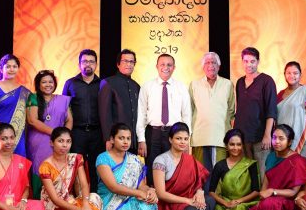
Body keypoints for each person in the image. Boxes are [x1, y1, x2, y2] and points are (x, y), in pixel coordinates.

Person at [96, 123, 163, 210]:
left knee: (147, 205)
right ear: (112, 139)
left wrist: (149, 191)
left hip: (132, 196)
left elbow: (141, 185)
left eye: (128, 138)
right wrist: (138, 193)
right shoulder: (103, 158)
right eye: (121, 138)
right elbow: (113, 187)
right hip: (111, 200)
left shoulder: (134, 160)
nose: (125, 142)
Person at [38, 127, 105, 210]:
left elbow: (84, 184)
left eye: (68, 141)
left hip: (69, 199)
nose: (65, 145)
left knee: (94, 199)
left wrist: (85, 204)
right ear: (51, 143)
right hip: (53, 206)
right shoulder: (45, 166)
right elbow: (55, 199)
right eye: (60, 141)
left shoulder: (75, 159)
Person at [153, 122, 214, 210]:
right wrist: (187, 201)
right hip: (170, 203)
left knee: (210, 201)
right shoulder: (161, 160)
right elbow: (161, 194)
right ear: (170, 139)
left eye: (186, 139)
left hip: (189, 196)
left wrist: (199, 192)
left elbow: (198, 180)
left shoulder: (189, 159)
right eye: (178, 138)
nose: (183, 142)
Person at [248, 124, 306, 210]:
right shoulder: (271, 157)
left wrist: (272, 191)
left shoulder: (298, 161)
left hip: (289, 201)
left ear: (289, 142)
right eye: (274, 138)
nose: (276, 142)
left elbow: (293, 192)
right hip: (270, 197)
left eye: (281, 138)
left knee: (270, 204)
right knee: (253, 208)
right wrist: (261, 197)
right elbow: (266, 181)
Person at [137, 54, 192, 186]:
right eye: (162, 64)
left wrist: (186, 140)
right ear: (157, 66)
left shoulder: (181, 87)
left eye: (169, 65)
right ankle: (152, 196)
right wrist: (141, 139)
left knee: (173, 168)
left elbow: (187, 115)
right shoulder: (147, 86)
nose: (166, 67)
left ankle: (169, 196)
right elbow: (141, 114)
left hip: (174, 133)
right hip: (153, 133)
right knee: (152, 167)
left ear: (174, 67)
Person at [209, 129, 262, 210]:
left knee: (239, 208)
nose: (235, 148)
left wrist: (239, 201)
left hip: (246, 202)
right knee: (222, 208)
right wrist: (226, 203)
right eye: (232, 144)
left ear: (243, 146)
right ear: (226, 146)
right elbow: (211, 191)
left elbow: (256, 191)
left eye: (239, 144)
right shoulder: (220, 165)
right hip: (225, 202)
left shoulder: (250, 164)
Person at [27, 70, 72, 199]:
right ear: (38, 84)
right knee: (40, 169)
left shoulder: (63, 100)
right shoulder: (33, 97)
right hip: (39, 142)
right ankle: (39, 203)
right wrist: (56, 134)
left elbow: (69, 120)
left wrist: (64, 137)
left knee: (60, 170)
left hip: (60, 142)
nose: (48, 85)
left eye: (50, 82)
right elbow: (32, 120)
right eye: (44, 82)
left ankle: (59, 202)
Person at [234, 47, 278, 179]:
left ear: (258, 62)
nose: (249, 64)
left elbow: (271, 110)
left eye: (252, 61)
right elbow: (240, 109)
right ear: (242, 62)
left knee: (263, 172)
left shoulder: (267, 81)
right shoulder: (239, 82)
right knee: (248, 173)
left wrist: (267, 135)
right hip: (243, 136)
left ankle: (263, 193)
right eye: (246, 61)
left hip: (260, 136)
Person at [62, 49, 104, 189]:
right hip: (77, 132)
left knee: (96, 167)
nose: (88, 64)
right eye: (85, 61)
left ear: (96, 64)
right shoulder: (70, 83)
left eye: (91, 62)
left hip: (97, 133)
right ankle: (76, 197)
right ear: (79, 64)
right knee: (75, 165)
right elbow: (63, 109)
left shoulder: (103, 84)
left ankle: (95, 196)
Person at [189, 52, 235, 171]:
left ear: (219, 66)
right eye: (207, 63)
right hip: (199, 137)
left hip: (220, 137)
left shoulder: (228, 84)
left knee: (218, 174)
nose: (211, 65)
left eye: (214, 62)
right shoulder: (194, 85)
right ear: (203, 67)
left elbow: (231, 110)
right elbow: (190, 110)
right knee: (200, 173)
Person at [0, 54, 30, 157]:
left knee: (18, 165)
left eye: (14, 66)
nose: (11, 69)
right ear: (1, 69)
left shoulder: (25, 92)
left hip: (17, 138)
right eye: (8, 66)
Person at [277, 61, 306, 160]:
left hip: (303, 139)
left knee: (302, 167)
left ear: (300, 75)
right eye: (288, 73)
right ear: (284, 75)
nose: (292, 76)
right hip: (284, 141)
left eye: (295, 73)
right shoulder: (280, 94)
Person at [99, 49, 141, 154]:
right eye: (125, 61)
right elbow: (104, 114)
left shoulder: (136, 86)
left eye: (132, 62)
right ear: (118, 64)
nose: (129, 64)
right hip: (116, 139)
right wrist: (108, 138)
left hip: (132, 140)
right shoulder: (108, 83)